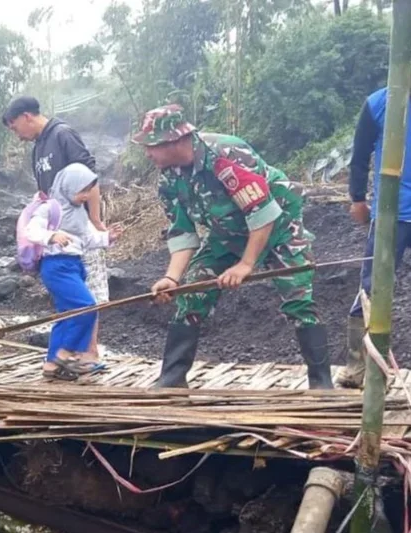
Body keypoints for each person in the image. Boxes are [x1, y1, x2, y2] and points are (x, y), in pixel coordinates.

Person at [134, 104, 333, 389]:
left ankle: (321, 384)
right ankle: (172, 379)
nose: (147, 153)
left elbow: (262, 212)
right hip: (227, 232)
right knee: (193, 290)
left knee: (298, 297)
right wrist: (171, 278)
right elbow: (182, 232)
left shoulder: (225, 156)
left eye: (152, 145)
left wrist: (246, 264)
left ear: (176, 140)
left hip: (278, 225)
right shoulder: (169, 177)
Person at [2, 95, 108, 364]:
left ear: (27, 116)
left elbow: (90, 176)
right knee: (69, 296)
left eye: (15, 127)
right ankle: (67, 355)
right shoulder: (37, 148)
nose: (17, 135)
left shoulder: (63, 135)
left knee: (89, 293)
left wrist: (94, 219)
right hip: (56, 239)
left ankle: (89, 353)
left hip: (79, 230)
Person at [338, 87, 411, 388]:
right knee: (372, 288)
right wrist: (357, 198)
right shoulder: (380, 102)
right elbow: (360, 154)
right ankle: (357, 366)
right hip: (391, 213)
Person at [25, 163, 120, 381]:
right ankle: (68, 353)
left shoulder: (78, 213)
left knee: (67, 315)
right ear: (68, 186)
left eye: (89, 191)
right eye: (83, 190)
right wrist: (52, 236)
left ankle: (51, 365)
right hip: (56, 266)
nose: (86, 196)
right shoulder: (50, 208)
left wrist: (107, 238)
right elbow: (32, 230)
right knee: (87, 307)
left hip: (75, 265)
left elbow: (88, 239)